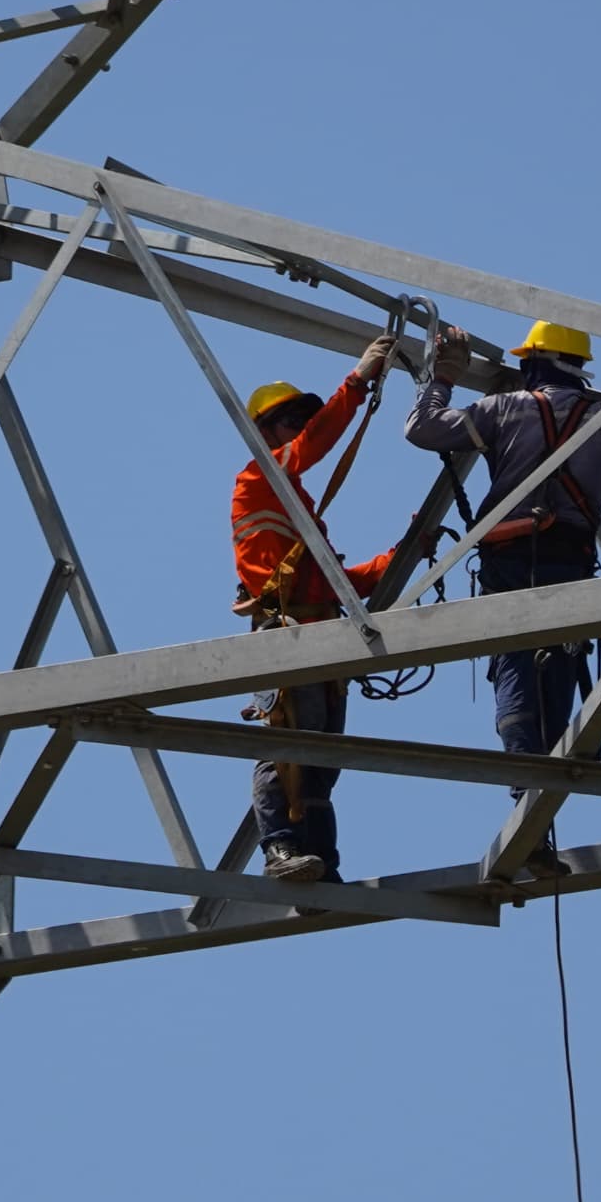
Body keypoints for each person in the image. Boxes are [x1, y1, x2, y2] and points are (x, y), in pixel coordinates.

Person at [403, 320, 601, 870]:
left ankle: (531, 807)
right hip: (569, 563)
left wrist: (442, 377)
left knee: (517, 668)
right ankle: (538, 814)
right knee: (557, 670)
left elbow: (422, 429)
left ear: (534, 362)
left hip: (510, 561)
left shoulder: (504, 409)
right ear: (579, 368)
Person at [230, 334, 399, 882]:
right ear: (263, 434)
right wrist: (357, 382)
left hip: (319, 633)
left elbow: (332, 585)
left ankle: (321, 864)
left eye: (305, 419)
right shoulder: (257, 478)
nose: (301, 428)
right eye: (290, 421)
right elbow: (313, 446)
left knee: (322, 759)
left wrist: (401, 555)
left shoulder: (295, 501)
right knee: (286, 745)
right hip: (285, 632)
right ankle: (280, 850)